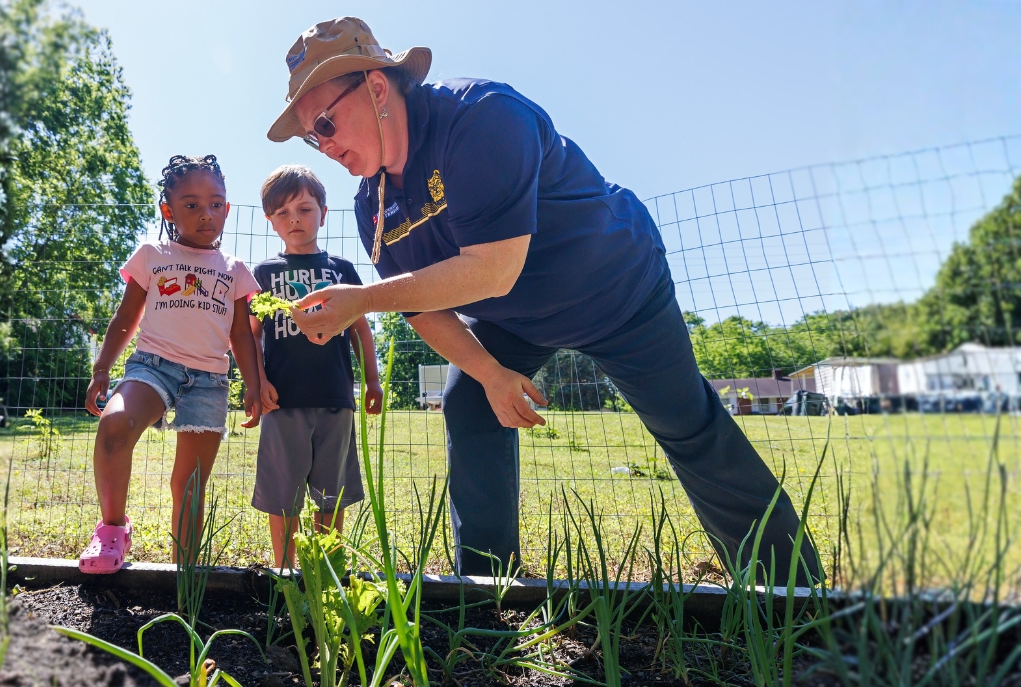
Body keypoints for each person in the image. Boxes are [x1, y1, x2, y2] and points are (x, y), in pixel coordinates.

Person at [264, 17, 821, 583]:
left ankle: (790, 590)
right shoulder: (372, 206)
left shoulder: (481, 117)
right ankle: (485, 588)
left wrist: (360, 300)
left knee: (687, 427)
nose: (325, 146)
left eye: (327, 123)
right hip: (516, 320)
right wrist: (490, 374)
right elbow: (423, 310)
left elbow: (494, 268)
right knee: (471, 404)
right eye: (314, 136)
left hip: (617, 290)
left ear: (377, 88)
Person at [79, 155, 262, 574]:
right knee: (113, 429)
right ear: (169, 210)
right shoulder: (152, 255)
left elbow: (240, 335)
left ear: (227, 209)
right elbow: (126, 319)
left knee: (190, 484)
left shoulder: (234, 270)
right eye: (191, 205)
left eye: (216, 204)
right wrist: (102, 370)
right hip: (152, 367)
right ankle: (112, 532)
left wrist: (252, 384)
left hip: (209, 380)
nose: (206, 215)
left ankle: (185, 572)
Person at [248, 165, 384, 569]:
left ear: (323, 214)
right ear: (270, 221)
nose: (295, 219)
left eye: (305, 209)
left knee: (332, 493)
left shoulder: (342, 271)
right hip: (282, 400)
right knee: (283, 496)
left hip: (336, 400)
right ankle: (285, 571)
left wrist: (372, 380)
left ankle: (328, 572)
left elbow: (360, 328)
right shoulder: (263, 274)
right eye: (283, 212)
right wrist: (257, 381)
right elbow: (251, 335)